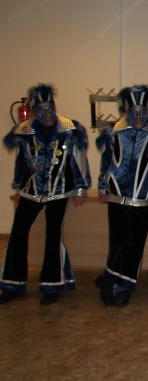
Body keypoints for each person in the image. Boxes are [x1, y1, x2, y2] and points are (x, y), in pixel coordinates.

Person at [0, 84, 90, 306]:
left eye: (50, 108)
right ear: (34, 112)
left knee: (53, 234)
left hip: (59, 191)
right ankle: (13, 283)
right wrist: (18, 188)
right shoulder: (25, 131)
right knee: (18, 233)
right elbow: (21, 163)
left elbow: (79, 162)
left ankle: (52, 285)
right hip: (31, 191)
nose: (46, 114)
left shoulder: (70, 129)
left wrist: (81, 190)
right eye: (41, 110)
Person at [95, 85, 148, 306]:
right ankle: (110, 277)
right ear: (126, 111)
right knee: (116, 240)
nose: (138, 116)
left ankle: (125, 285)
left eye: (142, 111)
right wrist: (102, 187)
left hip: (142, 197)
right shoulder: (114, 131)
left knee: (135, 243)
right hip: (116, 195)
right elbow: (106, 161)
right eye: (133, 111)